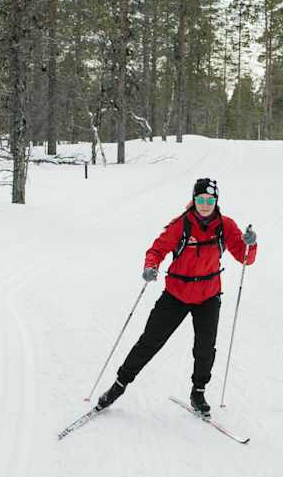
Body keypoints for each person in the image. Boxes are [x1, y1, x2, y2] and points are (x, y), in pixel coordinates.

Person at [96, 178, 258, 417]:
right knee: (150, 341)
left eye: (209, 200)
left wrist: (250, 244)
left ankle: (198, 392)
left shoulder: (226, 226)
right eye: (200, 200)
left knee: (205, 348)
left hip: (208, 296)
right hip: (176, 295)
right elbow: (157, 250)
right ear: (193, 200)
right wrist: (151, 266)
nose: (204, 204)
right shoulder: (181, 225)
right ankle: (119, 385)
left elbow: (245, 259)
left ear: (216, 201)